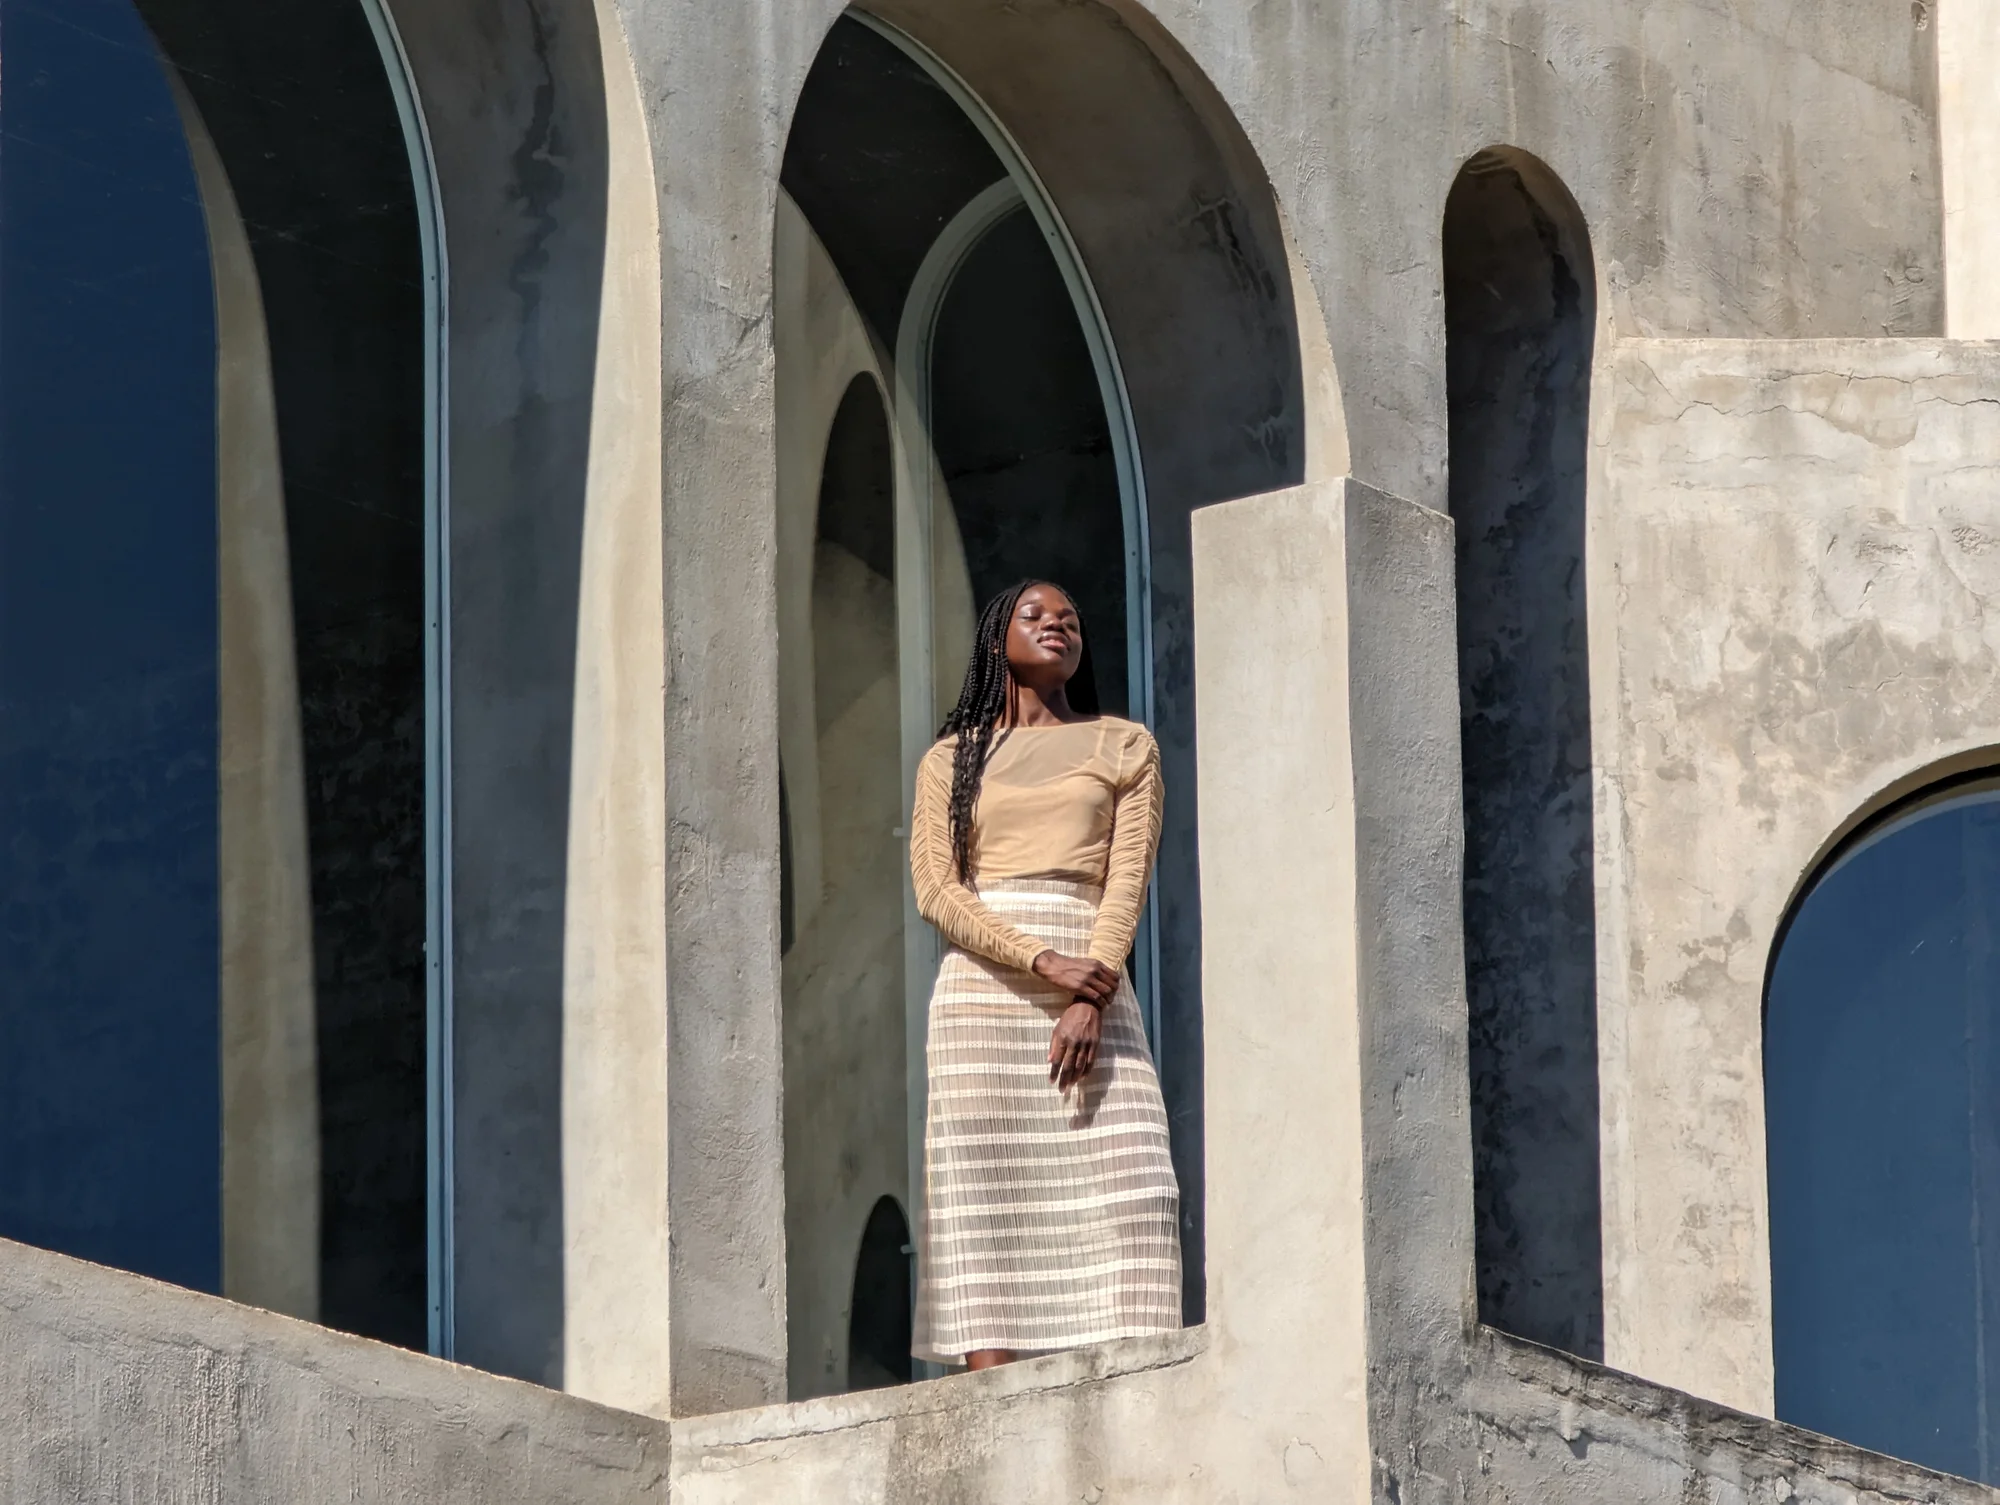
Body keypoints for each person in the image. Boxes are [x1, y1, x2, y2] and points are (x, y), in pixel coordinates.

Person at [909, 578, 1182, 1372]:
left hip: (1092, 981)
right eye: (1035, 616)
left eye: (1070, 617)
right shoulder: (949, 761)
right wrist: (1040, 960)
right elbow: (937, 888)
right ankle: (990, 1418)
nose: (1056, 625)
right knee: (985, 1201)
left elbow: (1122, 884)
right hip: (982, 1001)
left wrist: (1087, 990)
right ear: (999, 640)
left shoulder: (1125, 746)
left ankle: (1140, 1392)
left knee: (1137, 1190)